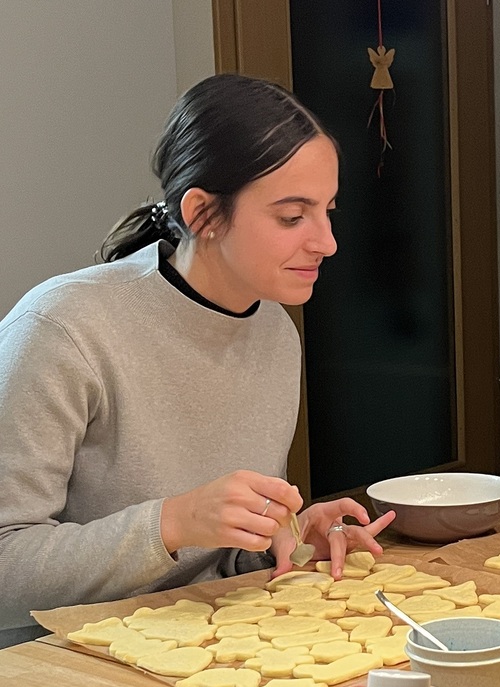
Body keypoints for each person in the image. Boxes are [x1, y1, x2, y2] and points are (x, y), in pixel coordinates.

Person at [0, 74, 394, 647]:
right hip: (60, 670)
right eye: (292, 217)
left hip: (206, 645)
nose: (327, 242)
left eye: (327, 211)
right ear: (203, 214)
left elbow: (202, 565)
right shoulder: (63, 328)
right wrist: (172, 522)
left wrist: (280, 539)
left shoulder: (274, 332)